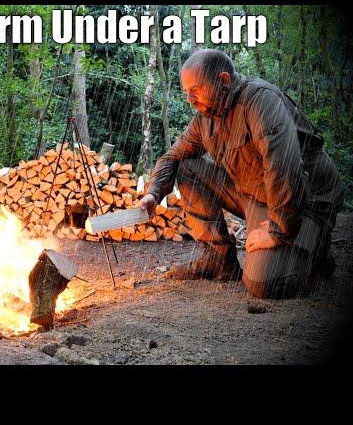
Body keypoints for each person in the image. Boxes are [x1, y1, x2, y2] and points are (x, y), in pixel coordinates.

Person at [139, 49, 344, 299]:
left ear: (224, 81)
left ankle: (315, 248)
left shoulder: (260, 100)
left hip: (307, 198)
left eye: (196, 89)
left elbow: (284, 167)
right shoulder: (205, 118)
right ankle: (219, 259)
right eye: (186, 92)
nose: (189, 99)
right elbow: (172, 157)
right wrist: (152, 194)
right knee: (187, 168)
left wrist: (278, 230)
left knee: (262, 283)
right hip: (258, 194)